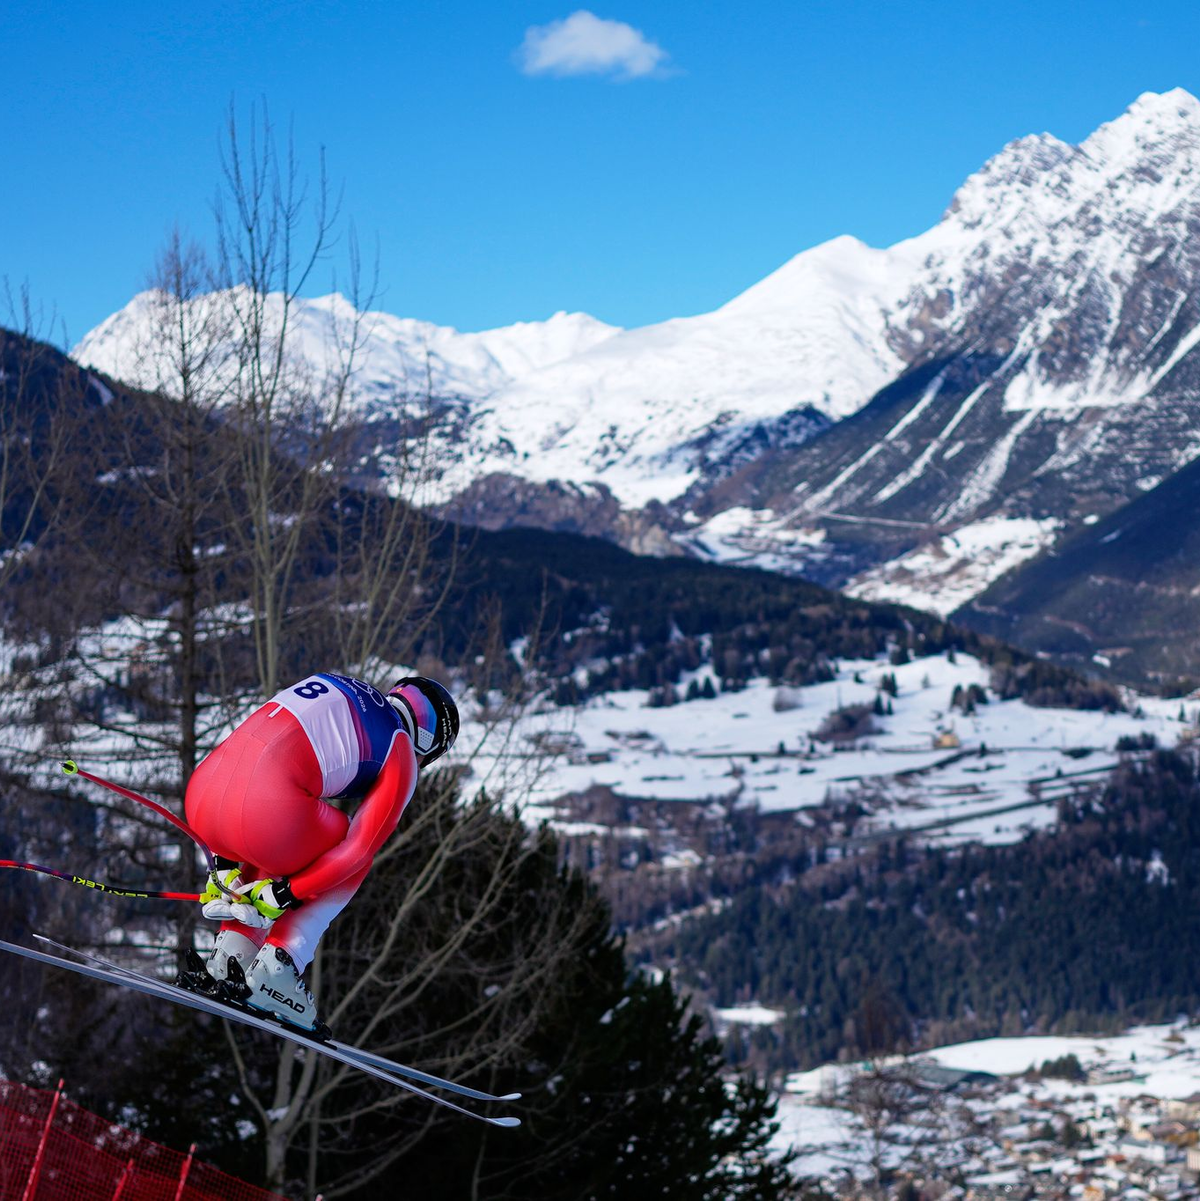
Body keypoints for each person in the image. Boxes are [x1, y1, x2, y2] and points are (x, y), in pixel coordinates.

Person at [180, 672, 458, 1033]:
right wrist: (288, 892)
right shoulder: (400, 748)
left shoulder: (338, 686)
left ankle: (232, 951)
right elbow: (357, 851)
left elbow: (250, 757)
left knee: (287, 826)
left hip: (202, 799)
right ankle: (278, 967)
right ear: (431, 743)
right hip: (264, 815)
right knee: (352, 849)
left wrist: (225, 861)